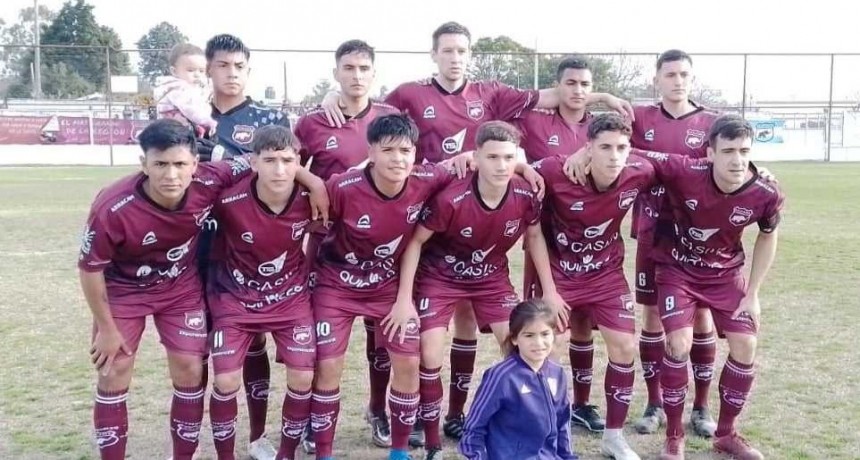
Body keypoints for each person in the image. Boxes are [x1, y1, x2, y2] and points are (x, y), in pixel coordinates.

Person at [321, 22, 633, 443]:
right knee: (399, 336)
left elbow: (560, 94)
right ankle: (400, 415)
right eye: (447, 50)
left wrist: (602, 99)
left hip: (482, 231)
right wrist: (331, 97)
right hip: (429, 214)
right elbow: (370, 112)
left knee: (473, 328)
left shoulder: (491, 94)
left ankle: (469, 415)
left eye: (462, 51)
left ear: (470, 55)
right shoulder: (409, 94)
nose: (455, 58)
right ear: (434, 54)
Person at [79, 119, 252, 460]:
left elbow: (262, 155)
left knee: (190, 368)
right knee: (113, 370)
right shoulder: (111, 207)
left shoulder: (211, 178)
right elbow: (89, 270)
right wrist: (107, 329)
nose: (170, 175)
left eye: (179, 164)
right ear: (143, 163)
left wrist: (312, 183)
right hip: (123, 292)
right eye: (160, 164)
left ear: (194, 165)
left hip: (179, 288)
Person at [393, 121, 557, 459]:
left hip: (490, 278)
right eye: (492, 157)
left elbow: (536, 237)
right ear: (476, 157)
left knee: (522, 344)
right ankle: (432, 439)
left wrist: (551, 291)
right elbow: (415, 243)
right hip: (440, 275)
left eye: (508, 158)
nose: (501, 165)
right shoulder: (452, 197)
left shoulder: (525, 194)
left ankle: (511, 423)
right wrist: (405, 298)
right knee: (431, 352)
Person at [308, 114, 455, 460]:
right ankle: (324, 452)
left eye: (405, 150)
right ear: (371, 152)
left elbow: (472, 162)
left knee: (407, 362)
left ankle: (399, 452)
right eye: (388, 150)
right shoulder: (341, 187)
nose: (398, 158)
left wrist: (522, 166)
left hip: (387, 288)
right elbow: (312, 234)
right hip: (336, 287)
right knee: (329, 366)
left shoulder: (426, 177)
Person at [637, 115, 782, 460]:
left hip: (724, 274)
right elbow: (636, 154)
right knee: (678, 343)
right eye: (728, 150)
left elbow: (768, 235)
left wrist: (753, 294)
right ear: (710, 153)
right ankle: (674, 436)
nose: (737, 159)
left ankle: (726, 433)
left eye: (744, 150)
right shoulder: (684, 170)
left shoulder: (765, 192)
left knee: (746, 343)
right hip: (677, 271)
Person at [534, 112, 667, 459]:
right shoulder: (554, 170)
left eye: (621, 147)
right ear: (588, 147)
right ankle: (540, 430)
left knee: (624, 347)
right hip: (559, 274)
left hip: (606, 275)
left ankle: (613, 436)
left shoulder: (641, 170)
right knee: (540, 349)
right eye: (604, 147)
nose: (614, 155)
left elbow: (684, 167)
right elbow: (516, 167)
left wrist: (758, 172)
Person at [293, 39, 400, 450]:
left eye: (364, 68)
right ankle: (309, 420)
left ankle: (377, 409)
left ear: (374, 74)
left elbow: (414, 168)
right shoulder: (313, 122)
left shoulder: (391, 117)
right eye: (349, 68)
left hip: (382, 252)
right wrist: (313, 180)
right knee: (324, 344)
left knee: (382, 342)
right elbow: (285, 161)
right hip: (328, 248)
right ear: (335, 72)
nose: (357, 76)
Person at [202, 34, 295, 459]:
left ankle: (257, 436)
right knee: (199, 348)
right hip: (195, 241)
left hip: (248, 244)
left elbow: (286, 166)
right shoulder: (189, 114)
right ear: (209, 69)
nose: (232, 73)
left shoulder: (267, 117)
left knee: (252, 339)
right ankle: (198, 429)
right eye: (223, 65)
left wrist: (222, 154)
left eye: (239, 66)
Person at [206, 125, 316, 460]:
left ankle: (285, 454)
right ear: (253, 162)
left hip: (289, 299)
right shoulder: (227, 202)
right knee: (225, 382)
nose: (279, 169)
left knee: (302, 374)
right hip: (235, 298)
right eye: (270, 160)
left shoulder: (312, 200)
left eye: (287, 160)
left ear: (298, 162)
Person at [628, 49, 721, 437]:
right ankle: (654, 403)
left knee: (700, 318)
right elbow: (614, 148)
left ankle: (700, 406)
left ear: (692, 78)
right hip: (653, 231)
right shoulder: (639, 118)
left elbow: (731, 164)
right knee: (650, 318)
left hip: (696, 237)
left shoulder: (712, 122)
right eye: (670, 74)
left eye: (684, 74)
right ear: (657, 80)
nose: (677, 81)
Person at [515, 55, 604, 434]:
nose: (579, 91)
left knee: (583, 321)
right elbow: (500, 138)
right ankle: (532, 403)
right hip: (545, 240)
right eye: (571, 83)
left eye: (586, 85)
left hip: (591, 246)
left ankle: (581, 403)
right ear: (558, 86)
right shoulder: (534, 120)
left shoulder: (600, 128)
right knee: (539, 323)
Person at [458, 299, 577, 460]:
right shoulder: (501, 376)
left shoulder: (558, 373)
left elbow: (563, 423)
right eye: (529, 335)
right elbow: (473, 428)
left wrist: (567, 456)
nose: (538, 343)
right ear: (514, 338)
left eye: (545, 334)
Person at [154, 43, 218, 138]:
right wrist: (208, 121)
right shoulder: (177, 89)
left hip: (179, 132)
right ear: (174, 71)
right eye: (191, 70)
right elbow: (191, 110)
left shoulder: (190, 88)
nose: (197, 75)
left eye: (201, 71)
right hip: (174, 133)